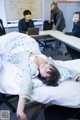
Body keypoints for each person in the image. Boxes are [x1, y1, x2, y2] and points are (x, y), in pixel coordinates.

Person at [0, 32, 80, 120]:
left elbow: (26, 82)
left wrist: (20, 109)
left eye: (46, 72)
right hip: (28, 44)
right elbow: (65, 69)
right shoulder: (49, 62)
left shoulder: (31, 67)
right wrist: (78, 77)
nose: (47, 68)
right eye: (50, 68)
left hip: (16, 50)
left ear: (41, 76)